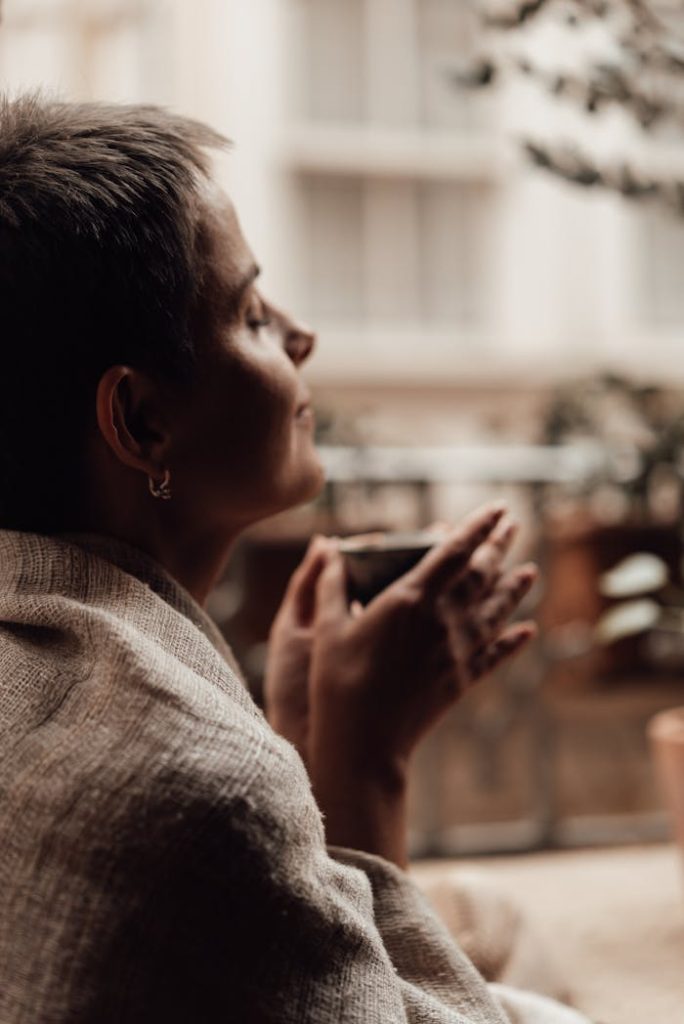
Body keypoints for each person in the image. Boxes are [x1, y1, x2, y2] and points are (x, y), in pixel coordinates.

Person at [0, 94, 590, 1023]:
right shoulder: (196, 793)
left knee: (501, 924)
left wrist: (294, 749)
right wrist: (361, 774)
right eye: (251, 314)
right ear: (142, 421)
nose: (302, 336)